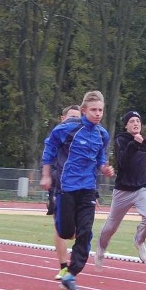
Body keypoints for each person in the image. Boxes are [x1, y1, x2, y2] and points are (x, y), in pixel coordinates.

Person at [40, 90, 114, 290]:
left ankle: (71, 273)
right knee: (65, 231)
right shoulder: (67, 130)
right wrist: (46, 175)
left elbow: (100, 159)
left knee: (86, 232)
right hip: (66, 187)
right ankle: (64, 227)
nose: (98, 114)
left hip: (88, 189)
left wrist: (105, 169)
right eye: (93, 110)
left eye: (101, 110)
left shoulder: (102, 134)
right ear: (83, 111)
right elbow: (49, 151)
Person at [95, 110, 146, 266]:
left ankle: (139, 240)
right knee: (111, 226)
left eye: (138, 121)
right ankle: (101, 247)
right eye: (132, 121)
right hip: (123, 191)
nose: (136, 123)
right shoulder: (120, 140)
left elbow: (145, 159)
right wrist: (134, 144)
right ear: (126, 125)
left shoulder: (142, 141)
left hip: (141, 190)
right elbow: (123, 162)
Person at [48, 105, 81, 280]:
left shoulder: (84, 141)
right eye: (71, 117)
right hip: (59, 188)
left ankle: (74, 262)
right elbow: (47, 163)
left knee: (76, 230)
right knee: (60, 227)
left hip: (80, 190)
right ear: (63, 119)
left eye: (78, 118)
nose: (75, 121)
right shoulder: (55, 138)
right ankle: (63, 266)